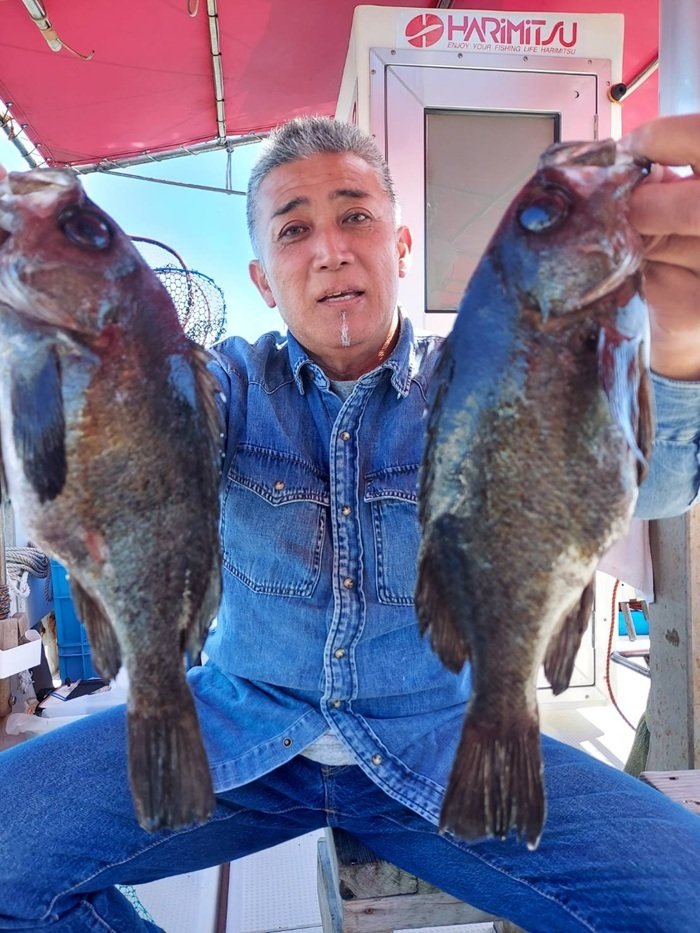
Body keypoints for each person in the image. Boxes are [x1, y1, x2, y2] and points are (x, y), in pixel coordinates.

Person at [1, 112, 700, 933]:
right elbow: (153, 424)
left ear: (399, 246)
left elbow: (654, 490)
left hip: (441, 740)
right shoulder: (226, 381)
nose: (330, 249)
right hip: (236, 730)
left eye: (356, 215)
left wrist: (680, 344)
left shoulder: (481, 377)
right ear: (263, 279)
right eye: (294, 229)